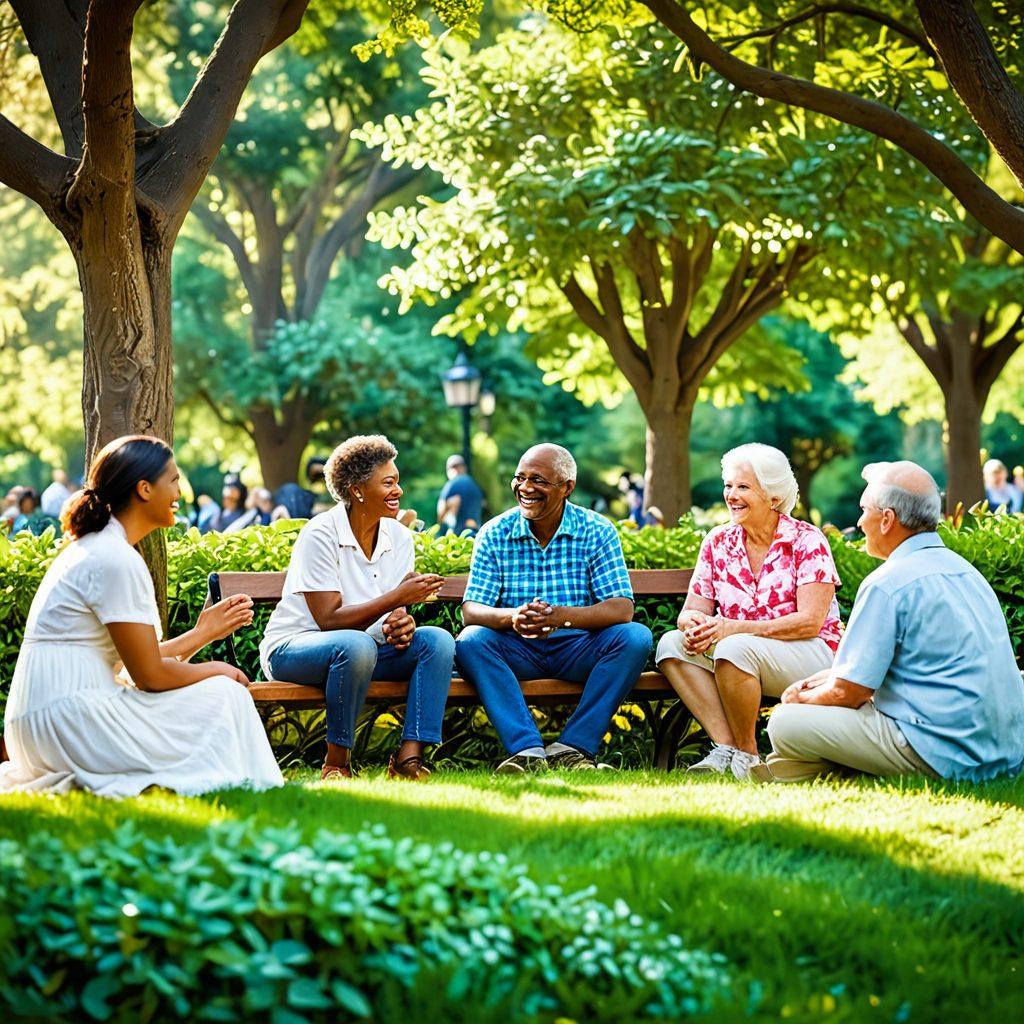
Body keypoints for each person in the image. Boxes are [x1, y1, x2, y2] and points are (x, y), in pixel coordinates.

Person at [0, 435, 282, 796]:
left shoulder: (98, 548)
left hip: (39, 721)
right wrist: (217, 669)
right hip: (70, 718)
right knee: (225, 693)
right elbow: (147, 675)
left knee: (217, 693)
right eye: (174, 480)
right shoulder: (115, 558)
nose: (181, 491)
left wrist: (203, 634)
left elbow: (134, 659)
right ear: (145, 489)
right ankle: (248, 786)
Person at [762, 461, 1024, 783]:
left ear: (887, 519)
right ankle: (793, 776)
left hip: (943, 753)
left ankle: (794, 775)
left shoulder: (887, 583)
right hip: (1002, 752)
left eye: (863, 510)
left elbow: (849, 693)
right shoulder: (966, 573)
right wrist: (831, 678)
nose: (859, 522)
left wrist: (799, 697)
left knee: (786, 721)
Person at [259, 435, 453, 781]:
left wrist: (400, 624)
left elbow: (392, 616)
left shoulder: (400, 538)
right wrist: (398, 599)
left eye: (397, 481)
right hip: (295, 649)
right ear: (357, 490)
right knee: (356, 644)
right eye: (389, 482)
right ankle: (337, 764)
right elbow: (328, 619)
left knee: (436, 642)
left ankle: (409, 759)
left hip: (364, 651)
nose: (399, 491)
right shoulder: (320, 533)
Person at [455, 443, 652, 773]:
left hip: (578, 649)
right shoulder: (494, 533)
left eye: (539, 480)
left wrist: (563, 616)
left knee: (634, 637)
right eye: (520, 478)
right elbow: (472, 610)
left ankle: (572, 747)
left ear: (567, 488)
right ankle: (527, 751)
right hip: (518, 651)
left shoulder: (597, 530)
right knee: (471, 641)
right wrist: (513, 617)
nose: (526, 488)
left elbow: (621, 609)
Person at [655, 444, 842, 779]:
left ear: (772, 497)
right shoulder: (717, 541)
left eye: (743, 487)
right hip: (741, 651)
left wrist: (733, 628)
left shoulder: (806, 540)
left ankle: (747, 754)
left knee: (733, 647)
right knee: (671, 644)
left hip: (811, 654)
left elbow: (810, 622)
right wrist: (694, 625)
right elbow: (691, 611)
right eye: (728, 486)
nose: (731, 495)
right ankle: (728, 748)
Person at [437, 454, 484, 536]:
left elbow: (441, 512)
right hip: (475, 533)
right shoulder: (474, 485)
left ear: (449, 470)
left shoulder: (452, 484)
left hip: (458, 537)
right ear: (464, 468)